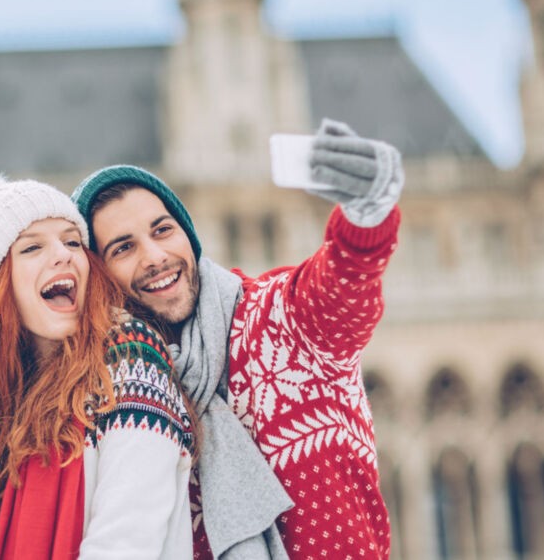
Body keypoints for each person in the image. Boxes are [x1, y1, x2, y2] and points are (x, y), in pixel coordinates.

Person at [70, 119, 404, 559]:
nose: (155, 257)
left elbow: (343, 284)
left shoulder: (281, 317)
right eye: (123, 248)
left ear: (188, 234)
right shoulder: (118, 393)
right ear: (99, 276)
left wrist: (368, 215)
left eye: (162, 230)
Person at [0, 169, 282, 559]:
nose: (63, 254)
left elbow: (126, 540)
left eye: (73, 241)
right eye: (32, 248)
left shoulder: (129, 360)